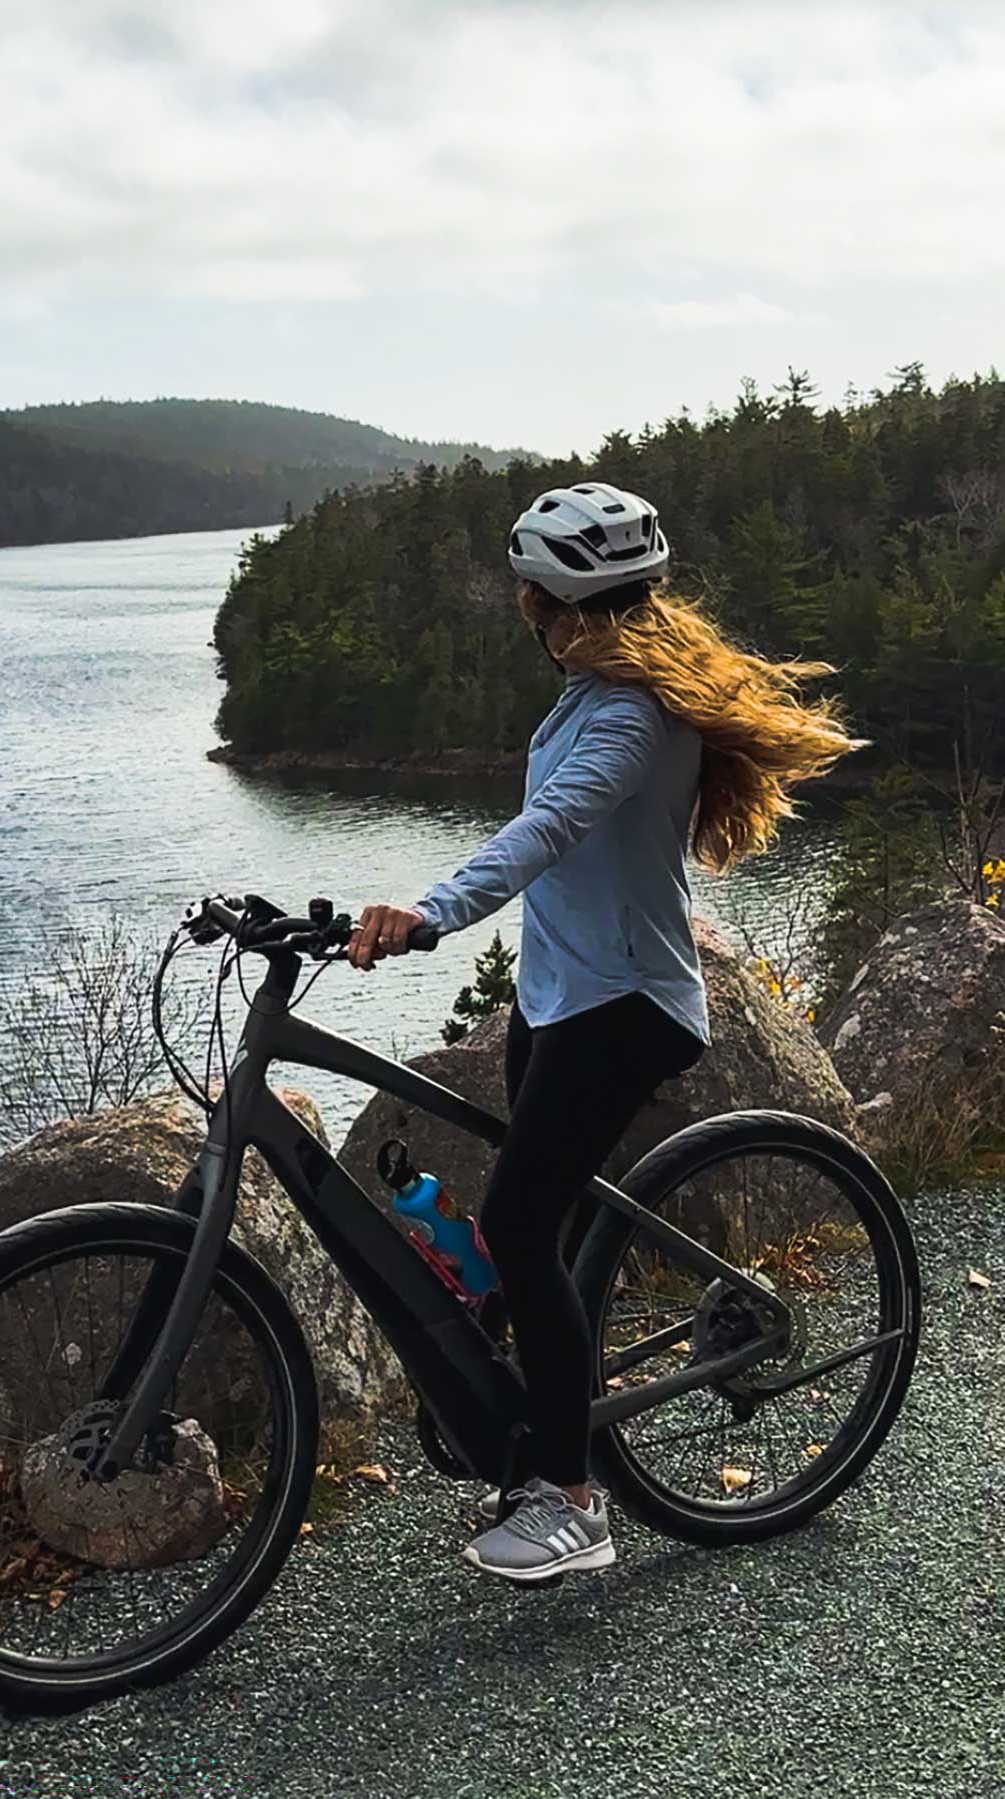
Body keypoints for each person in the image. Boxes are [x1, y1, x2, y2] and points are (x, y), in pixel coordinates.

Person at [347, 481, 861, 1583]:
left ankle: (575, 1500)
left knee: (523, 1226)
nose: (517, 600)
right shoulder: (602, 685)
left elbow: (550, 825)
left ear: (551, 599)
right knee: (536, 1229)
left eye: (524, 586)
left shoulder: (627, 714)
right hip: (559, 1001)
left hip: (624, 1007)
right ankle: (543, 1415)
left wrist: (426, 911)